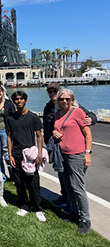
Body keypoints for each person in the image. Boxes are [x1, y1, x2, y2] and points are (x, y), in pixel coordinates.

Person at [43, 82, 97, 211]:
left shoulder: (75, 107)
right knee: (62, 175)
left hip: (75, 149)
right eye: (50, 92)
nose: (52, 94)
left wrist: (92, 118)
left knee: (75, 182)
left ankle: (76, 208)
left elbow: (89, 116)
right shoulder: (48, 108)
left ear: (60, 91)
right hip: (57, 147)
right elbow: (47, 126)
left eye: (55, 91)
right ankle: (65, 197)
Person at [53, 89, 92, 234]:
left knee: (78, 187)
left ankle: (85, 219)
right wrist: (54, 132)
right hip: (62, 154)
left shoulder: (78, 112)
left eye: (67, 99)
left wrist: (87, 153)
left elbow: (87, 134)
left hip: (77, 154)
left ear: (72, 100)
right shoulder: (57, 114)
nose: (64, 101)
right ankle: (75, 213)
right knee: (68, 186)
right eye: (62, 99)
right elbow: (57, 128)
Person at [7, 91, 46, 222]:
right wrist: (10, 154)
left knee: (33, 183)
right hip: (17, 155)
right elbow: (9, 137)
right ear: (14, 102)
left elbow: (39, 137)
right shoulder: (10, 118)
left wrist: (40, 154)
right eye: (16, 99)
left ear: (25, 100)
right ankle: (24, 206)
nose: (19, 101)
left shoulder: (33, 117)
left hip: (31, 156)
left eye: (21, 99)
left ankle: (38, 208)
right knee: (19, 182)